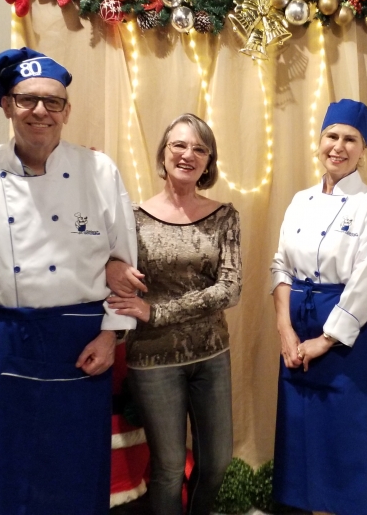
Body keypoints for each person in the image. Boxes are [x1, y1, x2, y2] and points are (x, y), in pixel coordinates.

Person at [0, 47, 137, 515]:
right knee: (10, 466)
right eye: (27, 99)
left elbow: (124, 261)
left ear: (66, 111)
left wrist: (111, 335)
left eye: (53, 101)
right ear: (7, 106)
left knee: (77, 465)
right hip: (6, 338)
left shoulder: (99, 170)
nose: (40, 111)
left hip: (81, 339)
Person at [105, 113, 241, 515]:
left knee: (216, 463)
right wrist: (111, 269)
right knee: (167, 469)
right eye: (179, 145)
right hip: (153, 361)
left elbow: (230, 289)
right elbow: (108, 269)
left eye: (200, 148)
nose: (188, 154)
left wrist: (156, 311)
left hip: (212, 355)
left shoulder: (225, 216)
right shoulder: (132, 218)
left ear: (209, 161)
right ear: (163, 153)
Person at [270, 99, 367, 515]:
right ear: (320, 140)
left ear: (364, 149)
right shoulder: (300, 200)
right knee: (303, 437)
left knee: (347, 439)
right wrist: (285, 329)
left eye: (350, 139)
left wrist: (325, 340)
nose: (339, 147)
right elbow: (280, 265)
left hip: (347, 338)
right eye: (332, 136)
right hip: (297, 328)